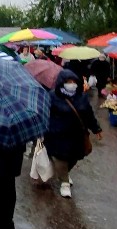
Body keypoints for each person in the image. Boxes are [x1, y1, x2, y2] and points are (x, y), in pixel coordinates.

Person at [44, 69, 103, 198]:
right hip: (57, 135)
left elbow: (88, 113)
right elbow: (45, 114)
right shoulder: (52, 96)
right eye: (68, 82)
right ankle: (64, 183)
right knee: (60, 159)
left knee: (73, 158)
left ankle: (64, 174)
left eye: (73, 81)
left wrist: (96, 128)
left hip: (77, 135)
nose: (72, 84)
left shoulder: (81, 97)